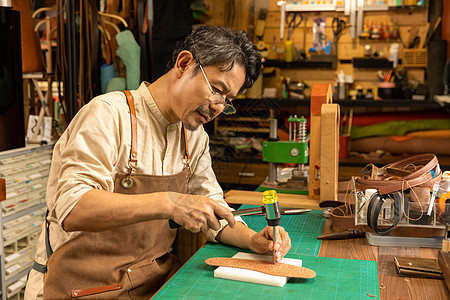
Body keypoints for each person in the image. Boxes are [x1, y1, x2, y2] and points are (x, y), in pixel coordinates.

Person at [25, 25, 291, 299]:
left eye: (227, 101)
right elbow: (73, 208)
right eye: (217, 90)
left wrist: (252, 239)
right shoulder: (108, 115)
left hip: (150, 284)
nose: (217, 107)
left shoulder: (194, 138)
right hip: (80, 288)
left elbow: (214, 209)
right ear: (185, 63)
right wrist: (171, 203)